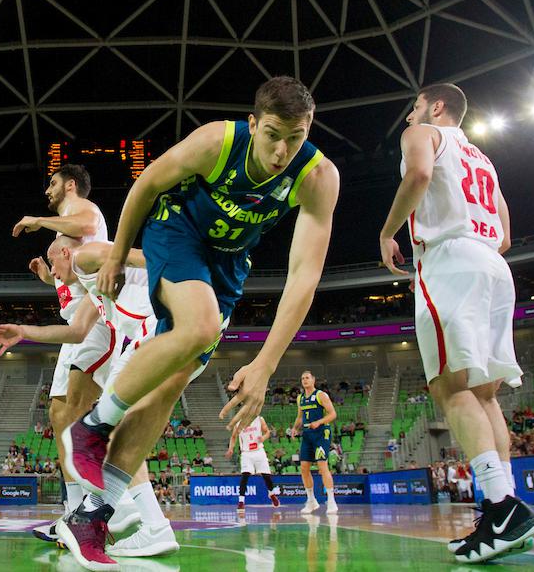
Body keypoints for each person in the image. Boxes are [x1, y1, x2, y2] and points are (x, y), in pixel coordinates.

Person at [61, 77, 340, 571]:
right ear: (253, 124)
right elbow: (147, 183)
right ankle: (93, 426)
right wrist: (119, 254)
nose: (281, 152)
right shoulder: (218, 141)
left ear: (308, 129)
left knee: (167, 389)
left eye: (294, 138)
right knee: (201, 325)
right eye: (272, 134)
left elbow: (304, 274)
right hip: (176, 228)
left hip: (227, 265)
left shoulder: (318, 177)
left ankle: (91, 518)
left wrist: (265, 364)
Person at [380, 83, 534, 563]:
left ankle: (500, 505)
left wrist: (390, 232)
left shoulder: (424, 134)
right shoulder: (484, 161)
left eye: (413, 108)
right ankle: (508, 507)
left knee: (449, 388)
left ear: (435, 106)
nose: (410, 117)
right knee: (485, 392)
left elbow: (419, 176)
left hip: (452, 258)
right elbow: (507, 234)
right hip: (494, 264)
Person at [0, 239, 177, 558]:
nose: (55, 273)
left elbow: (140, 256)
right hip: (159, 337)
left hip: (157, 332)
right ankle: (149, 523)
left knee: (94, 428)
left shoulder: (84, 256)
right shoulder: (91, 290)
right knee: (118, 433)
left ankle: (117, 507)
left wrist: (176, 271)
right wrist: (24, 331)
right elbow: (75, 332)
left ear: (65, 253)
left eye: (53, 263)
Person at [11, 165, 114, 541]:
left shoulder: (82, 210)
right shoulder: (67, 233)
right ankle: (74, 508)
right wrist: (45, 274)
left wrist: (38, 221)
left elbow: (87, 223)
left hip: (94, 320)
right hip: (77, 324)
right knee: (59, 413)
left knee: (77, 414)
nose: (47, 190)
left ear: (70, 185)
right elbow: (68, 275)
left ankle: (102, 505)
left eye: (53, 183)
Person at [287, 371, 337, 515]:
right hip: (307, 433)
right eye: (302, 378)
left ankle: (331, 501)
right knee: (304, 467)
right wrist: (295, 428)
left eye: (307, 378)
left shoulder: (321, 395)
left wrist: (319, 422)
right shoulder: (300, 398)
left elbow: (333, 414)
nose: (304, 380)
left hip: (321, 433)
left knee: (322, 465)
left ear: (313, 380)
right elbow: (300, 416)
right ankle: (311, 501)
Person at [226, 414, 280, 511]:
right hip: (246, 453)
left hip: (259, 451)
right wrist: (231, 449)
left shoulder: (259, 419)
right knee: (245, 475)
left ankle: (271, 494)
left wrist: (263, 438)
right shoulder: (238, 423)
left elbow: (267, 432)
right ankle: (241, 501)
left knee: (267, 476)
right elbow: (233, 437)